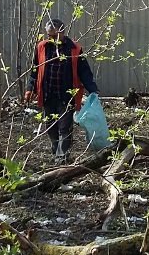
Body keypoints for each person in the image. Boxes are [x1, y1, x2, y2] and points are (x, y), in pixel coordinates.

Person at [24, 18, 99, 159]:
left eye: (53, 35)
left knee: (65, 127)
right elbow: (35, 70)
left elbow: (84, 71)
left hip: (67, 96)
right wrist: (30, 88)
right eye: (49, 35)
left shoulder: (74, 49)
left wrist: (93, 90)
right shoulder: (42, 47)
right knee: (50, 126)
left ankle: (62, 157)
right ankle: (56, 150)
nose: (51, 38)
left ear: (62, 32)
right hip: (47, 94)